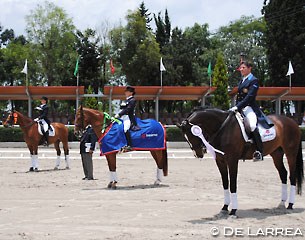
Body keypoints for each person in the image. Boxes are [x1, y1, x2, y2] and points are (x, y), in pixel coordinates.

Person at [229, 61, 263, 161]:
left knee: (252, 126)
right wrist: (236, 107)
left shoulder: (254, 80)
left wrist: (237, 106)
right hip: (240, 107)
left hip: (249, 107)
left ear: (249, 68)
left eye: (243, 67)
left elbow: (249, 97)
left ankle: (259, 151)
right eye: (240, 68)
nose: (241, 70)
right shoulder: (242, 81)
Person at [115, 86, 140, 151]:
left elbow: (128, 109)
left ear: (131, 93)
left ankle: (130, 145)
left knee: (125, 129)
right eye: (126, 92)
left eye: (127, 92)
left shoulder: (132, 100)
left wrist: (119, 114)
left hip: (128, 117)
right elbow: (122, 109)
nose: (125, 93)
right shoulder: (126, 100)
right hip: (123, 117)